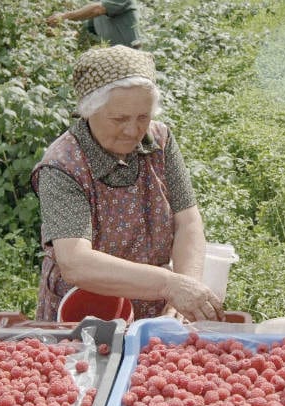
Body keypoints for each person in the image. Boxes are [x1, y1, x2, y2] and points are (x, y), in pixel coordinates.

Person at [31, 45, 223, 323]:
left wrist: (186, 287)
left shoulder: (160, 140)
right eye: (119, 119)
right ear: (88, 111)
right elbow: (75, 263)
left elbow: (188, 222)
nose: (133, 130)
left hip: (155, 309)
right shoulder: (62, 164)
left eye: (143, 117)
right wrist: (169, 285)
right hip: (86, 315)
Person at [46, 1, 141, 48]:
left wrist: (63, 17)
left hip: (130, 58)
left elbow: (97, 9)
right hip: (113, 59)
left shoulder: (105, 5)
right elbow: (84, 35)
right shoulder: (99, 7)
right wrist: (60, 35)